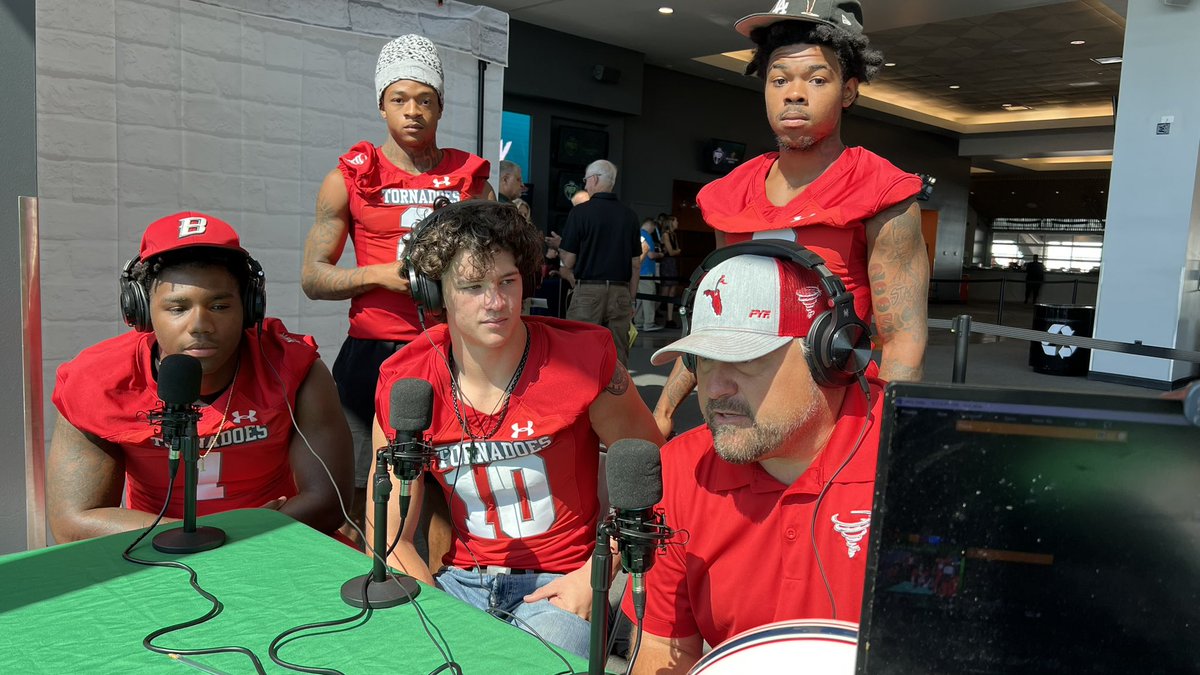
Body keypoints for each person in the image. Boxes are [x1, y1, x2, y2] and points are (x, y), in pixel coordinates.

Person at [370, 201, 664, 658]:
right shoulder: (406, 382)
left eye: (507, 281)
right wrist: (435, 618)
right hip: (459, 585)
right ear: (434, 292)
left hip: (563, 583)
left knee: (529, 660)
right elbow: (390, 536)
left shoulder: (585, 359)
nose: (497, 303)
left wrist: (594, 576)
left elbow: (657, 476)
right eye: (472, 286)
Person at [651, 0, 928, 438]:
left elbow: (902, 341)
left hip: (832, 419)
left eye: (817, 79)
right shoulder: (731, 194)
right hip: (737, 410)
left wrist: (885, 441)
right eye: (779, 79)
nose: (794, 93)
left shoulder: (880, 191)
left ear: (849, 91)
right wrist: (664, 411)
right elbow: (716, 322)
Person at [621, 248, 885, 673]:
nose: (716, 388)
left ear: (830, 357)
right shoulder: (680, 470)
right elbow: (662, 649)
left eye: (745, 360)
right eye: (704, 360)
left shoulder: (914, 461)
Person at [47, 212, 353, 543]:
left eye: (220, 306)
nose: (200, 325)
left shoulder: (294, 368)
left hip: (275, 542)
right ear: (142, 311)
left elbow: (328, 503)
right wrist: (203, 535)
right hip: (156, 550)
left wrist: (238, 537)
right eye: (178, 308)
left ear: (250, 308)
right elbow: (76, 522)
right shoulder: (98, 381)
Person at [301, 33, 493, 544]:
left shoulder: (470, 181)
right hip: (373, 352)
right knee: (366, 488)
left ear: (441, 106)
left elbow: (499, 269)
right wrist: (378, 275)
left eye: (424, 100)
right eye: (399, 99)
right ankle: (366, 597)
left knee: (448, 487)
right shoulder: (349, 178)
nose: (413, 112)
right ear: (381, 104)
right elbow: (313, 278)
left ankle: (436, 594)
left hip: (451, 350)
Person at [559, 159, 643, 365]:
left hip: (588, 291)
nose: (585, 185)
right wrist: (631, 297)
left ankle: (583, 396)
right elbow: (635, 263)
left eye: (586, 180)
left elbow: (569, 261)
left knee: (579, 352)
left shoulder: (580, 212)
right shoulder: (630, 216)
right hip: (620, 293)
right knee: (618, 355)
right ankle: (616, 395)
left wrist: (560, 249)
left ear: (595, 179)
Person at [636, 217, 665, 332]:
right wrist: (661, 255)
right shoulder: (647, 236)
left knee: (639, 299)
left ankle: (638, 322)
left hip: (638, 271)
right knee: (649, 298)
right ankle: (649, 323)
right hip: (647, 271)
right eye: (654, 228)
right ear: (651, 225)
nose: (653, 231)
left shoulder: (636, 233)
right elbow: (651, 255)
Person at [656, 214, 684, 328]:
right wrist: (677, 251)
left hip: (672, 263)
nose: (677, 223)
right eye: (676, 220)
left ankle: (670, 318)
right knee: (664, 291)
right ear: (671, 222)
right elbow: (673, 251)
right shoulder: (666, 235)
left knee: (672, 291)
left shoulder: (673, 235)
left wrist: (676, 251)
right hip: (667, 263)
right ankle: (647, 314)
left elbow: (676, 250)